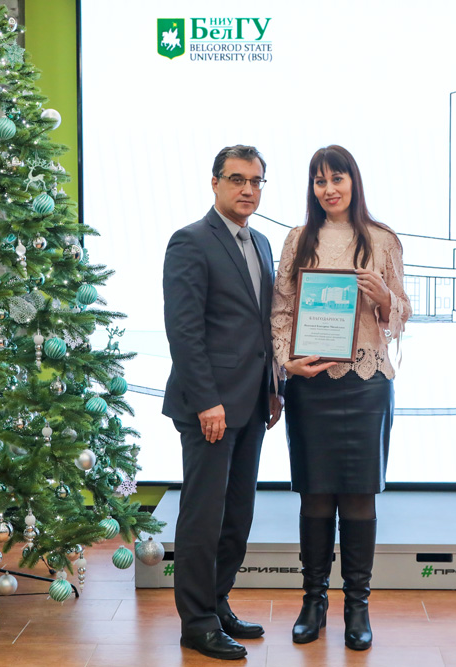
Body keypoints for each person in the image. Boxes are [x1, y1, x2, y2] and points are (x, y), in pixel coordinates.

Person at [271, 145, 411, 651]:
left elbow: (402, 313)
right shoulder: (298, 239)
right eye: (320, 181)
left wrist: (384, 297)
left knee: (358, 495)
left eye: (337, 178)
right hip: (311, 385)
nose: (329, 189)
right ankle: (313, 602)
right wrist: (287, 361)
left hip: (366, 382)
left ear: (354, 181)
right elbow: (281, 311)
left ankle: (357, 606)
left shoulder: (383, 239)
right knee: (314, 495)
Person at [162, 145, 283, 661]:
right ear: (215, 183)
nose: (247, 190)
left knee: (237, 516)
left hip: (252, 403)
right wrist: (207, 401)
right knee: (203, 519)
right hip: (208, 408)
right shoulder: (190, 241)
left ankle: (217, 603)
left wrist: (274, 386)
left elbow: (263, 326)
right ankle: (197, 623)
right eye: (237, 179)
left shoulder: (262, 243)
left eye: (256, 181)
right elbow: (184, 330)